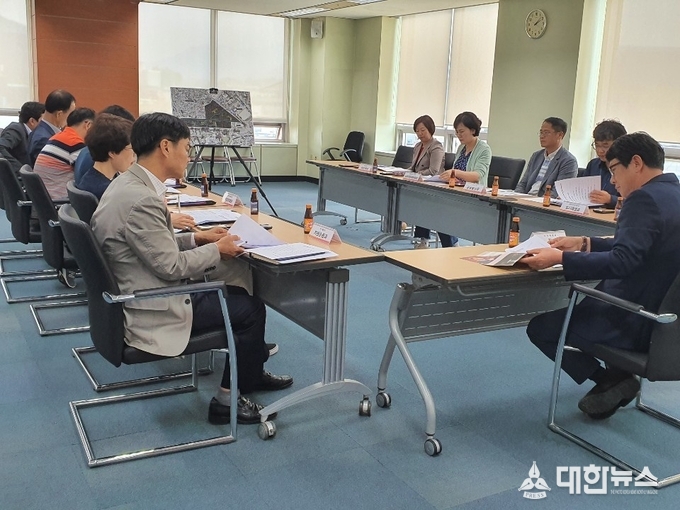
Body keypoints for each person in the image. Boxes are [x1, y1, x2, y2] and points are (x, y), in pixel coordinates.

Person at [91, 112, 292, 425]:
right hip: (152, 305)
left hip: (135, 290)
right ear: (166, 147)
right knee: (250, 309)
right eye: (187, 148)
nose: (189, 156)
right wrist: (217, 249)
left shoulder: (126, 185)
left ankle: (249, 372)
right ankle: (226, 401)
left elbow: (150, 246)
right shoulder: (141, 199)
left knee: (236, 287)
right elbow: (171, 266)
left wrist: (197, 238)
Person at [519, 132, 680, 419]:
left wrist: (561, 258)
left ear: (637, 163)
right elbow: (644, 249)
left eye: (614, 170)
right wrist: (584, 243)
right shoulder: (673, 195)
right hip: (669, 325)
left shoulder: (642, 199)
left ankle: (611, 379)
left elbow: (623, 261)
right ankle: (617, 378)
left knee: (541, 329)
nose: (613, 181)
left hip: (635, 319)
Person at [434, 111, 492, 247]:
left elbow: (477, 175)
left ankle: (452, 245)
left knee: (443, 212)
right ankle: (450, 245)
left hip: (474, 195)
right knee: (435, 208)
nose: (458, 135)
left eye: (461, 131)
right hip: (457, 191)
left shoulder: (484, 149)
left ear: (473, 130)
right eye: (457, 132)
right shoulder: (461, 147)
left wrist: (454, 172)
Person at [409, 115, 453, 247]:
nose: (420, 133)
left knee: (425, 205)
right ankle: (420, 237)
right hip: (419, 184)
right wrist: (403, 172)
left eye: (423, 130)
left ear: (430, 129)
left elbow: (434, 171)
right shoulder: (418, 146)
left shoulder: (436, 146)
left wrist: (415, 175)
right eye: (417, 131)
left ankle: (424, 239)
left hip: (434, 186)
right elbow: (413, 167)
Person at [33, 107, 95, 200]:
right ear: (88, 125)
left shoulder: (57, 137)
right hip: (59, 201)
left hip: (45, 198)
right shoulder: (74, 143)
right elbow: (89, 176)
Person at [515, 117, 578, 197]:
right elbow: (522, 184)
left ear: (560, 135)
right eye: (541, 132)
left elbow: (557, 193)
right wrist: (516, 197)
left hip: (543, 202)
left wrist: (534, 201)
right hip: (526, 199)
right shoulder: (536, 156)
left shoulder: (568, 161)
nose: (542, 136)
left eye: (546, 132)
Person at [75, 104, 135, 186]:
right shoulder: (108, 191)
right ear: (112, 152)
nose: (134, 155)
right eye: (131, 148)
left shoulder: (91, 177)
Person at [583, 119, 626, 208]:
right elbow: (583, 191)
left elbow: (635, 202)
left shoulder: (628, 168)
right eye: (597, 145)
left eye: (605, 146)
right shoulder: (593, 165)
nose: (600, 151)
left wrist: (610, 199)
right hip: (590, 212)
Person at [28, 89, 76, 166]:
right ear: (59, 114)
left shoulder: (41, 130)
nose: (72, 117)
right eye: (71, 114)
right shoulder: (44, 139)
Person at [0, 101, 45, 177]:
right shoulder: (16, 129)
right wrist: (21, 169)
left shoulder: (32, 135)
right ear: (32, 121)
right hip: (17, 179)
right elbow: (1, 146)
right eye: (42, 121)